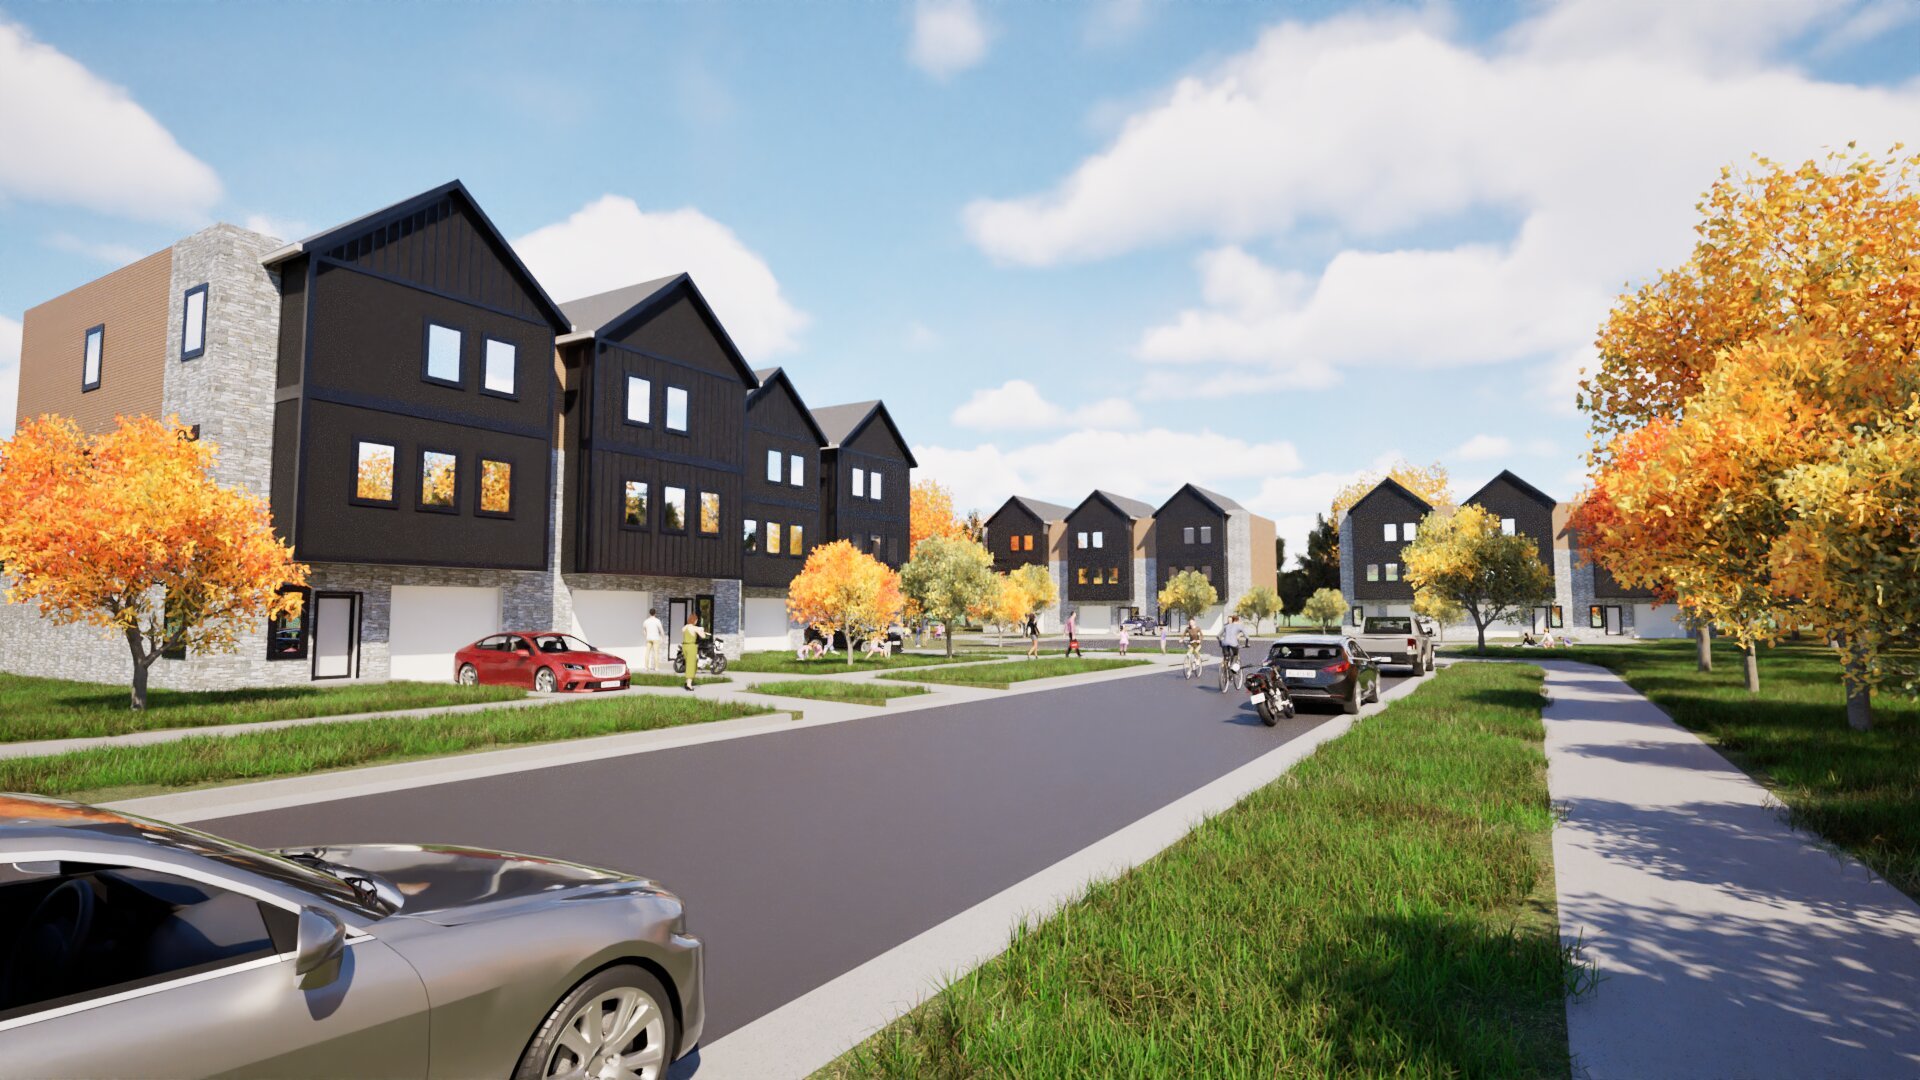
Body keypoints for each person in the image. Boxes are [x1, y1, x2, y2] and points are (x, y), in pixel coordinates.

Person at [680, 612, 708, 691]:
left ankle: (687, 682)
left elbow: (683, 631)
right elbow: (703, 636)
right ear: (694, 620)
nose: (696, 622)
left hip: (684, 646)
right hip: (691, 647)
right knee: (691, 665)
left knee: (689, 664)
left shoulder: (684, 627)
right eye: (696, 620)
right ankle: (689, 685)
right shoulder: (695, 628)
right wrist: (701, 630)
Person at [643, 608, 665, 672]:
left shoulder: (646, 621)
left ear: (649, 613)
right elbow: (661, 630)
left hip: (648, 638)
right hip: (656, 639)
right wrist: (663, 638)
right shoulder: (657, 621)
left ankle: (646, 667)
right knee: (656, 653)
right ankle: (656, 668)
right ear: (655, 613)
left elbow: (644, 630)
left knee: (647, 653)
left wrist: (646, 636)